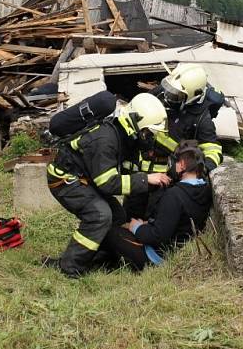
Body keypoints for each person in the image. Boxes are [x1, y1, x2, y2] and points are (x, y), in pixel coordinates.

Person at [43, 93, 172, 278]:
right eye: (147, 132)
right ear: (135, 123)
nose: (148, 137)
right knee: (100, 215)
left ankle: (101, 258)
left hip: (86, 178)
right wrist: (146, 179)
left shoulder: (126, 138)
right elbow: (107, 183)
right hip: (65, 180)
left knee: (117, 216)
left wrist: (151, 181)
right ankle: (70, 266)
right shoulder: (105, 140)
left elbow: (127, 172)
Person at [125, 63, 223, 219]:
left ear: (192, 95)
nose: (168, 96)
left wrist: (200, 170)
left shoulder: (202, 119)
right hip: (140, 167)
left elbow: (213, 150)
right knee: (130, 211)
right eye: (170, 90)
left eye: (176, 94)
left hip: (167, 176)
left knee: (154, 214)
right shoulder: (162, 94)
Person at [103, 140, 213, 270]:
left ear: (182, 164)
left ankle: (105, 265)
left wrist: (136, 227)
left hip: (156, 258)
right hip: (178, 252)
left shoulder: (174, 195)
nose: (171, 166)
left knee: (110, 232)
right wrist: (146, 224)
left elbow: (157, 237)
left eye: (175, 162)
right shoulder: (205, 189)